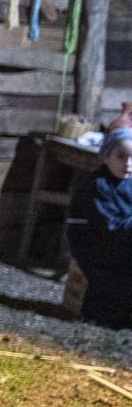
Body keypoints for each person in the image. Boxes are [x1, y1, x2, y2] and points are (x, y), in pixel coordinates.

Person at [66, 124, 132, 329]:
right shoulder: (97, 185)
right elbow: (108, 226)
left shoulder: (128, 182)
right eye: (121, 156)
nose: (128, 164)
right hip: (98, 246)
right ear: (106, 156)